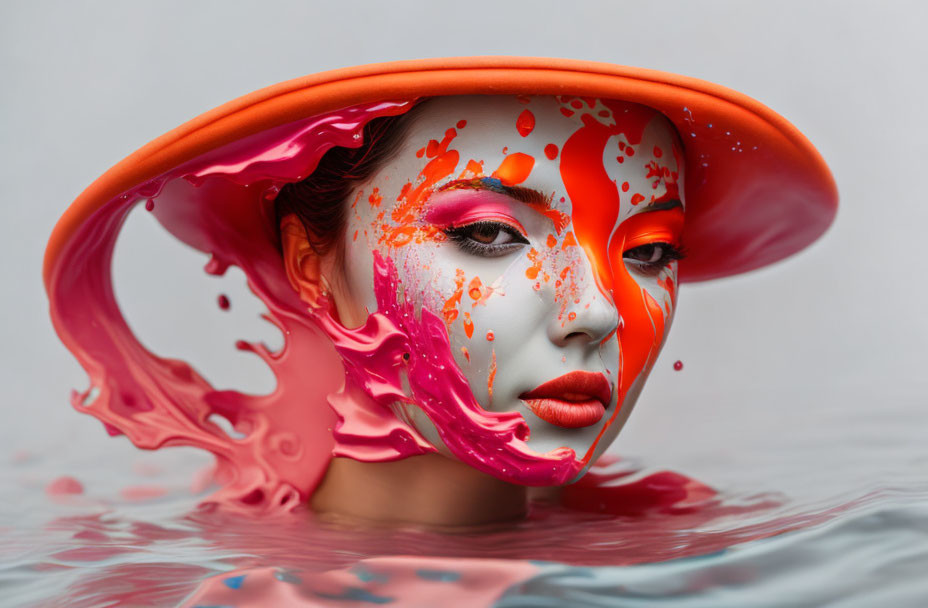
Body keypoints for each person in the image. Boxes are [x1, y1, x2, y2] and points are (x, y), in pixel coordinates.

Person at [43, 57, 837, 527]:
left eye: (652, 251)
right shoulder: (187, 585)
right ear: (312, 263)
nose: (595, 312)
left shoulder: (705, 542)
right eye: (490, 235)